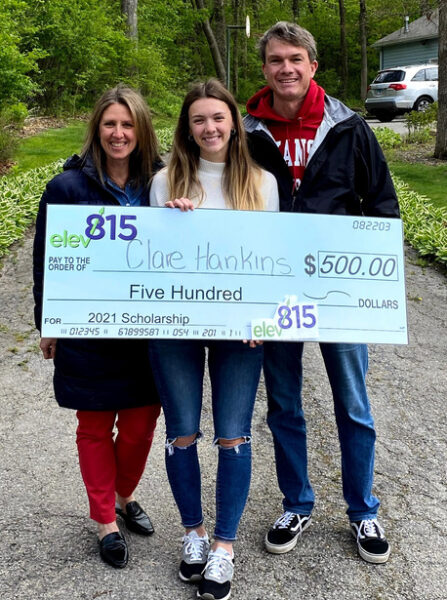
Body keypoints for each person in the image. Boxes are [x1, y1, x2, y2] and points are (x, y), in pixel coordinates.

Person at [244, 22, 400, 564]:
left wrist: (376, 283)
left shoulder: (349, 127)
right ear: (263, 69)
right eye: (275, 60)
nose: (285, 68)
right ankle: (297, 502)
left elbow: (382, 207)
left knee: (353, 404)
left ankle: (363, 511)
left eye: (295, 59)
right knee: (284, 404)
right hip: (272, 292)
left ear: (313, 66)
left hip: (339, 291)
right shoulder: (246, 130)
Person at [149, 78, 278, 600]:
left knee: (233, 433)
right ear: (187, 127)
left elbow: (274, 264)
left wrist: (263, 321)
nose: (210, 128)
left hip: (241, 333)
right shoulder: (164, 182)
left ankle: (224, 547)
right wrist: (170, 223)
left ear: (235, 123)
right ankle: (194, 534)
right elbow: (149, 263)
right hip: (176, 327)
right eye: (199, 119)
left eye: (218, 118)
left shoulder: (262, 183)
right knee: (181, 432)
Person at [33, 85, 163, 569]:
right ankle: (105, 519)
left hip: (148, 330)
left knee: (139, 426)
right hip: (87, 329)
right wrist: (49, 322)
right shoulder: (66, 189)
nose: (118, 133)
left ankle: (125, 495)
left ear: (141, 130)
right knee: (93, 426)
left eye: (127, 124)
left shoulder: (162, 184)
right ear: (96, 129)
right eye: (110, 124)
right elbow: (47, 261)